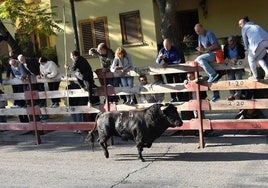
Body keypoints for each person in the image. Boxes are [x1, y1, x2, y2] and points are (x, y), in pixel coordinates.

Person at [156, 38, 186, 102]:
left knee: (177, 83)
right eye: (165, 46)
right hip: (167, 71)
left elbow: (178, 60)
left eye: (167, 46)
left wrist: (168, 63)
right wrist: (160, 58)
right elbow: (157, 62)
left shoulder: (174, 49)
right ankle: (173, 98)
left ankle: (180, 97)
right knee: (170, 84)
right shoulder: (162, 50)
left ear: (170, 44)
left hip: (176, 70)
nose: (166, 47)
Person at [223, 36, 245, 100]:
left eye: (232, 44)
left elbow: (242, 55)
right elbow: (225, 56)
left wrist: (237, 57)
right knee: (230, 79)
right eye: (229, 44)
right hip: (230, 66)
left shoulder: (240, 46)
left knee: (238, 79)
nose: (230, 45)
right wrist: (226, 58)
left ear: (235, 42)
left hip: (238, 66)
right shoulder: (226, 47)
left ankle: (238, 94)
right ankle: (232, 95)